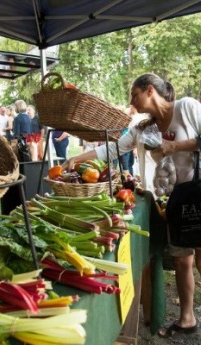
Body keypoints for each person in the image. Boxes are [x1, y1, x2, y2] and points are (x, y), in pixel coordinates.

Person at [64, 72, 201, 339]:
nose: (131, 100)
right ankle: (187, 318)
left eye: (134, 94)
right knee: (183, 260)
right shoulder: (142, 127)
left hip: (198, 194)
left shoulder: (186, 107)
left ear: (149, 90)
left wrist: (175, 146)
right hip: (173, 200)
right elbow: (112, 150)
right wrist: (78, 159)